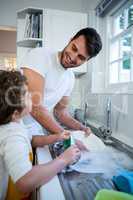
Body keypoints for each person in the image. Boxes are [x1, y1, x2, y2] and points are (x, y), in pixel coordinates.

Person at [0, 70, 81, 200]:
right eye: (27, 95)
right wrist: (63, 159)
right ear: (15, 113)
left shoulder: (15, 123)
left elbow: (32, 140)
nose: (32, 97)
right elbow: (24, 182)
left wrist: (56, 137)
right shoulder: (12, 136)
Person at [21, 27, 102, 139]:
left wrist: (81, 128)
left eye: (81, 57)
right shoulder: (39, 56)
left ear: (86, 61)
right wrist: (67, 136)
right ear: (70, 40)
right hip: (13, 128)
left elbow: (60, 112)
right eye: (74, 48)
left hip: (35, 133)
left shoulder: (70, 78)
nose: (73, 57)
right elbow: (35, 107)